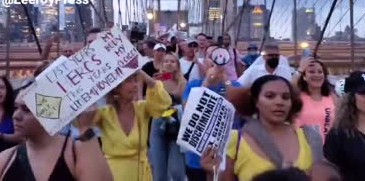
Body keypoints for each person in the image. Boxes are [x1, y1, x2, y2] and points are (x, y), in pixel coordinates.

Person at [200, 75, 322, 181]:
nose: (279, 102)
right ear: (256, 101)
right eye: (270, 96)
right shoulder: (235, 140)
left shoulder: (309, 137)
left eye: (285, 97)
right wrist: (213, 173)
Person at [0, 89, 112, 181]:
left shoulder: (75, 152)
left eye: (26, 110)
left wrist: (86, 128)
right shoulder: (4, 159)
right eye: (15, 108)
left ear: (48, 114)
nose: (16, 116)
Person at [75, 70, 172, 181]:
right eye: (129, 81)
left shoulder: (142, 108)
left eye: (135, 81)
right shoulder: (105, 112)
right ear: (117, 87)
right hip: (113, 174)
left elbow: (164, 104)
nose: (135, 85)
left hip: (140, 175)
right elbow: (79, 122)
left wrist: (144, 75)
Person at [182, 46, 242, 181]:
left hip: (227, 156)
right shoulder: (194, 85)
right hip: (197, 156)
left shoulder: (235, 86)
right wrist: (207, 82)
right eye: (211, 56)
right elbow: (188, 110)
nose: (217, 61)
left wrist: (226, 82)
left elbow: (239, 110)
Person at [149, 53, 187, 181]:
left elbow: (184, 103)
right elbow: (150, 104)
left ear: (177, 65)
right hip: (158, 125)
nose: (169, 63)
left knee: (177, 171)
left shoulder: (183, 81)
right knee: (159, 172)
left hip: (177, 125)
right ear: (162, 64)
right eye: (166, 61)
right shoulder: (156, 82)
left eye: (172, 61)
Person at [293, 58, 337, 141]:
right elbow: (288, 88)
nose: (317, 75)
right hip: (302, 148)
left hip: (326, 150)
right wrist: (300, 70)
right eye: (311, 72)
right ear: (304, 77)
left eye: (320, 72)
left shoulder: (332, 97)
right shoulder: (297, 96)